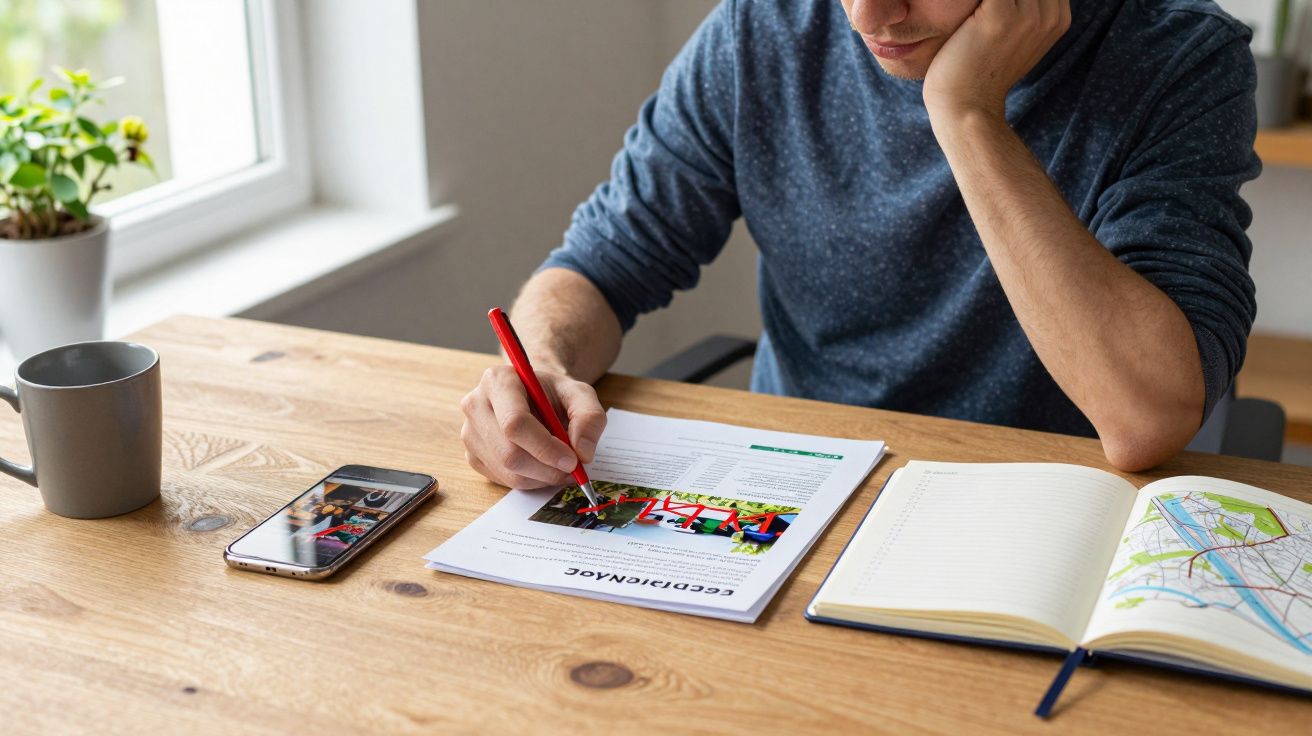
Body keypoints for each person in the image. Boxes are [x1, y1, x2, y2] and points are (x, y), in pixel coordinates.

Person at [460, 0, 1261, 488]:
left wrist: (968, 117)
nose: (866, 18)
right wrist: (542, 369)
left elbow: (1144, 415)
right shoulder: (763, 27)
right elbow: (603, 263)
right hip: (799, 490)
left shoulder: (1178, 59)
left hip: (1036, 512)